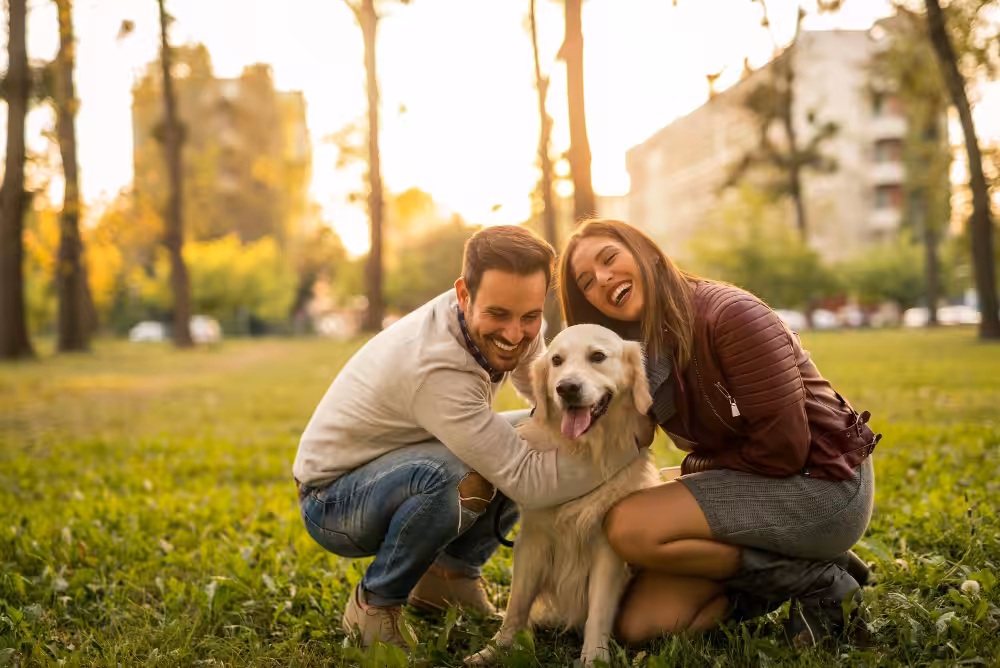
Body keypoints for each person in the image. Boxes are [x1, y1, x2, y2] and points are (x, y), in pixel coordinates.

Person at [293, 225, 645, 651]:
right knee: (456, 474)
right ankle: (375, 603)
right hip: (334, 501)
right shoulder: (435, 367)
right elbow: (526, 481)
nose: (515, 333)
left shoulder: (512, 323)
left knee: (524, 433)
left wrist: (602, 419)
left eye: (530, 316)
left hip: (399, 461)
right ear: (464, 294)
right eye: (498, 314)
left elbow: (544, 407)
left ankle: (450, 577)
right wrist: (628, 445)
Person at [559, 219, 878, 646]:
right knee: (641, 627)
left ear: (648, 253)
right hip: (753, 482)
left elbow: (784, 451)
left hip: (821, 486)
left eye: (610, 258)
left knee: (630, 524)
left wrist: (689, 470)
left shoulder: (730, 314)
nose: (602, 279)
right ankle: (787, 561)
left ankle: (815, 580)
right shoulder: (642, 351)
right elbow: (626, 445)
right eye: (586, 282)